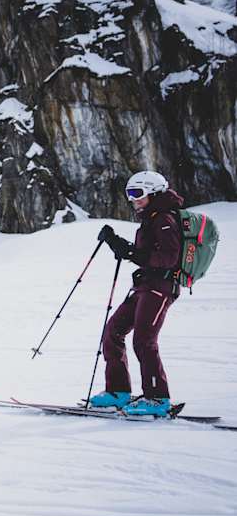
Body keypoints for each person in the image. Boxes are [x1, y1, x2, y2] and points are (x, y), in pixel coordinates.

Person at [93, 171, 184, 417]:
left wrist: (131, 253)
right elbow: (145, 254)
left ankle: (157, 398)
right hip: (145, 285)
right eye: (129, 195)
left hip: (160, 287)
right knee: (113, 330)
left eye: (137, 194)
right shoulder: (151, 218)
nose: (133, 200)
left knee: (144, 340)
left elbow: (168, 258)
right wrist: (117, 244)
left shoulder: (164, 219)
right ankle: (118, 392)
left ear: (153, 193)